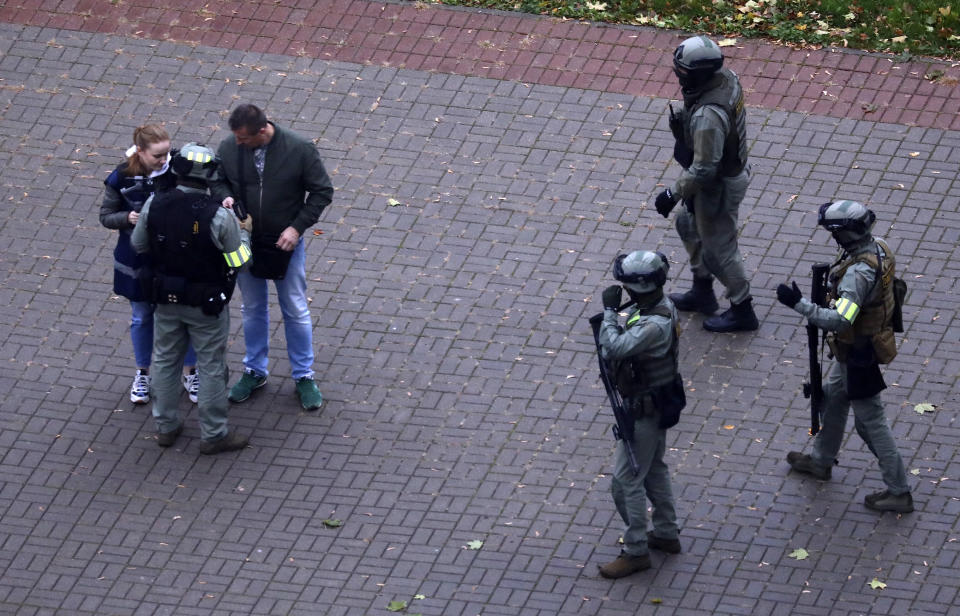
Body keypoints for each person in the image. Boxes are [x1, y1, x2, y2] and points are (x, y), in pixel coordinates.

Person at [776, 200, 913, 513]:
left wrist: (799, 304)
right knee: (834, 398)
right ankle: (821, 461)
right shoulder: (878, 246)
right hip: (855, 349)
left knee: (871, 424)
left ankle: (899, 491)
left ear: (845, 234)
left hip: (859, 354)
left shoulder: (858, 276)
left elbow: (840, 320)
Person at [209, 104, 333, 411]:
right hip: (245, 240)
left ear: (263, 130)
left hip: (284, 242)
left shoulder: (300, 149)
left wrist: (296, 228)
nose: (237, 144)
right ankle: (255, 371)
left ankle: (304, 376)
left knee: (294, 308)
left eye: (243, 138)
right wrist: (223, 195)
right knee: (252, 307)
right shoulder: (229, 146)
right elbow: (216, 178)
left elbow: (322, 191)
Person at [131, 143, 253, 454]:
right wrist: (245, 233)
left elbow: (139, 244)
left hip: (165, 299)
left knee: (164, 360)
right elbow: (239, 260)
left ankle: (166, 427)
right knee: (211, 365)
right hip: (206, 304)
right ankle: (213, 435)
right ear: (210, 177)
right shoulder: (219, 216)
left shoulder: (154, 204)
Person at [653, 35, 758, 333]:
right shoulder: (724, 78)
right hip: (717, 177)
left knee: (719, 250)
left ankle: (742, 308)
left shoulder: (708, 117)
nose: (678, 76)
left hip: (718, 185)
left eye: (682, 72)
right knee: (687, 224)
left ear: (698, 73)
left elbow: (704, 168)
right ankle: (702, 291)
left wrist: (673, 193)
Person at [596, 251, 683, 579]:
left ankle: (635, 551)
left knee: (625, 481)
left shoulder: (652, 323)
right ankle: (665, 532)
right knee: (654, 469)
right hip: (655, 404)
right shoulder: (659, 306)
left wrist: (607, 313)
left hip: (644, 410)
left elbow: (613, 348)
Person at [100, 124, 200, 405]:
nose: (165, 160)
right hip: (137, 261)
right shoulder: (121, 178)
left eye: (167, 152)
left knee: (183, 316)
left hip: (174, 259)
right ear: (140, 152)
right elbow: (106, 215)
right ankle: (143, 373)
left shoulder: (177, 169)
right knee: (142, 317)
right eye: (158, 155)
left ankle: (190, 371)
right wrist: (127, 218)